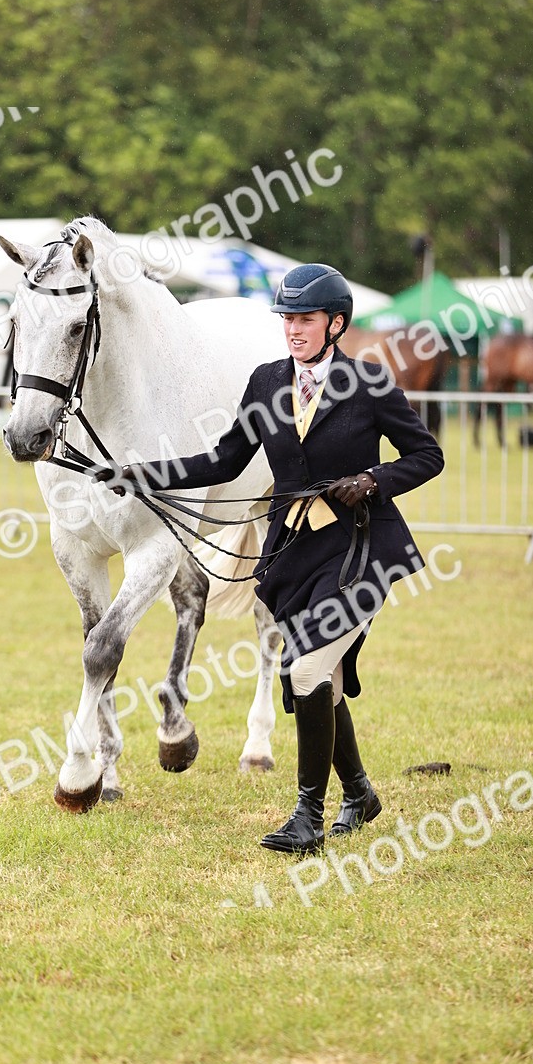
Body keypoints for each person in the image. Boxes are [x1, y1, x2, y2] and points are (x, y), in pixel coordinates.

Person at [94, 263, 444, 854]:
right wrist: (143, 475)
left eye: (305, 319)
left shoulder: (371, 383)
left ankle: (307, 817)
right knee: (323, 681)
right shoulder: (266, 383)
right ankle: (358, 793)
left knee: (304, 672)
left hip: (362, 549)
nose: (294, 330)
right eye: (287, 319)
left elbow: (427, 455)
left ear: (336, 323)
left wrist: (372, 478)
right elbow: (225, 460)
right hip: (297, 551)